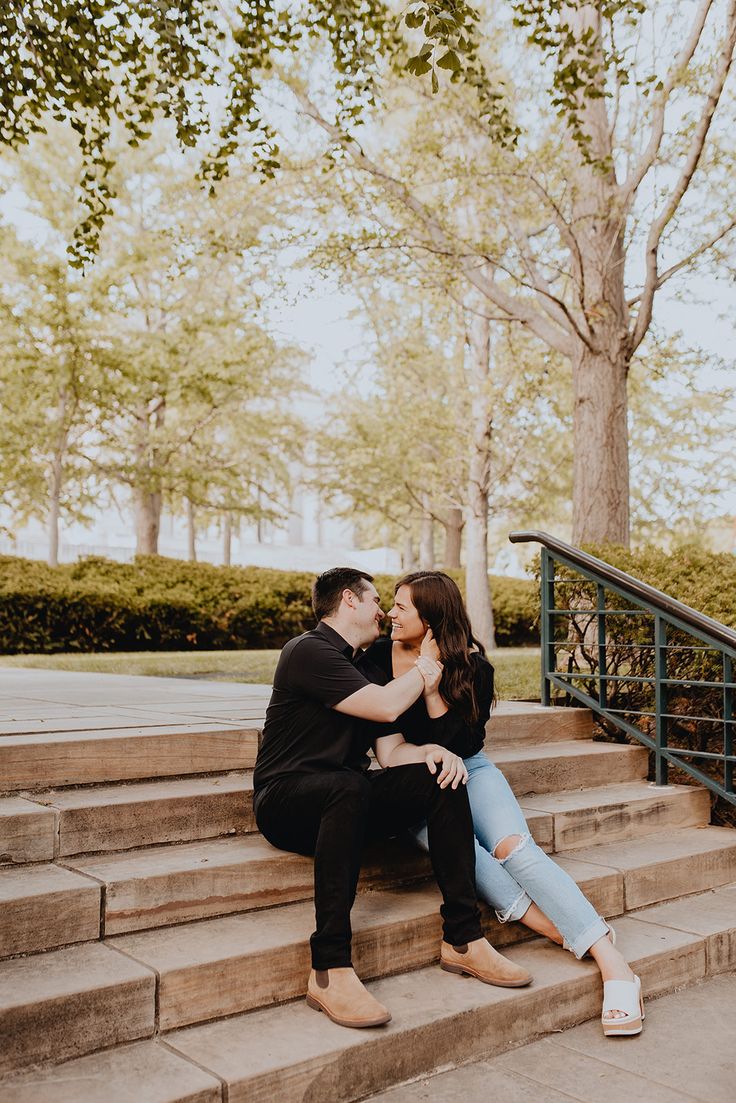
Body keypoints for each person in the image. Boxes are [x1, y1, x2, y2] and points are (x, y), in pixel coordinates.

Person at [358, 571, 645, 1038]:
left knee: (514, 848)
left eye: (403, 606)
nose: (392, 612)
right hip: (412, 778)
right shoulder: (374, 658)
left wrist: (431, 687)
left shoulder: (473, 665)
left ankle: (614, 963)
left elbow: (462, 742)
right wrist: (418, 680)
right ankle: (575, 937)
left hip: (472, 767)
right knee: (466, 856)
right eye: (393, 603)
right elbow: (388, 741)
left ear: (431, 618)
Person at [253, 566, 532, 1031]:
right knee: (345, 785)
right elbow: (385, 706)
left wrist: (436, 752)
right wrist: (427, 667)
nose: (383, 611)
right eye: (377, 601)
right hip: (285, 800)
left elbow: (390, 751)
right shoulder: (307, 651)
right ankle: (329, 969)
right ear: (349, 600)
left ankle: (463, 939)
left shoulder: (363, 667)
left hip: (347, 800)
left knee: (437, 777)